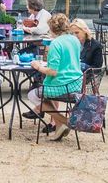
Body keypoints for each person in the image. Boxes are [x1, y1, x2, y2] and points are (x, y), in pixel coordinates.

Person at [27, 14, 82, 142]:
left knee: (33, 95)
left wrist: (38, 66)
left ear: (52, 29)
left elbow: (53, 71)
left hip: (61, 84)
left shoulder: (55, 44)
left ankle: (65, 121)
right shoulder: (74, 40)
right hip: (77, 82)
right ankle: (59, 126)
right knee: (44, 94)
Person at [68, 18, 105, 88]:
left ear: (84, 31)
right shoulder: (71, 43)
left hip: (85, 76)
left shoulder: (95, 46)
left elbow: (97, 69)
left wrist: (82, 65)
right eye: (72, 33)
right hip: (71, 73)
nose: (74, 36)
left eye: (77, 33)